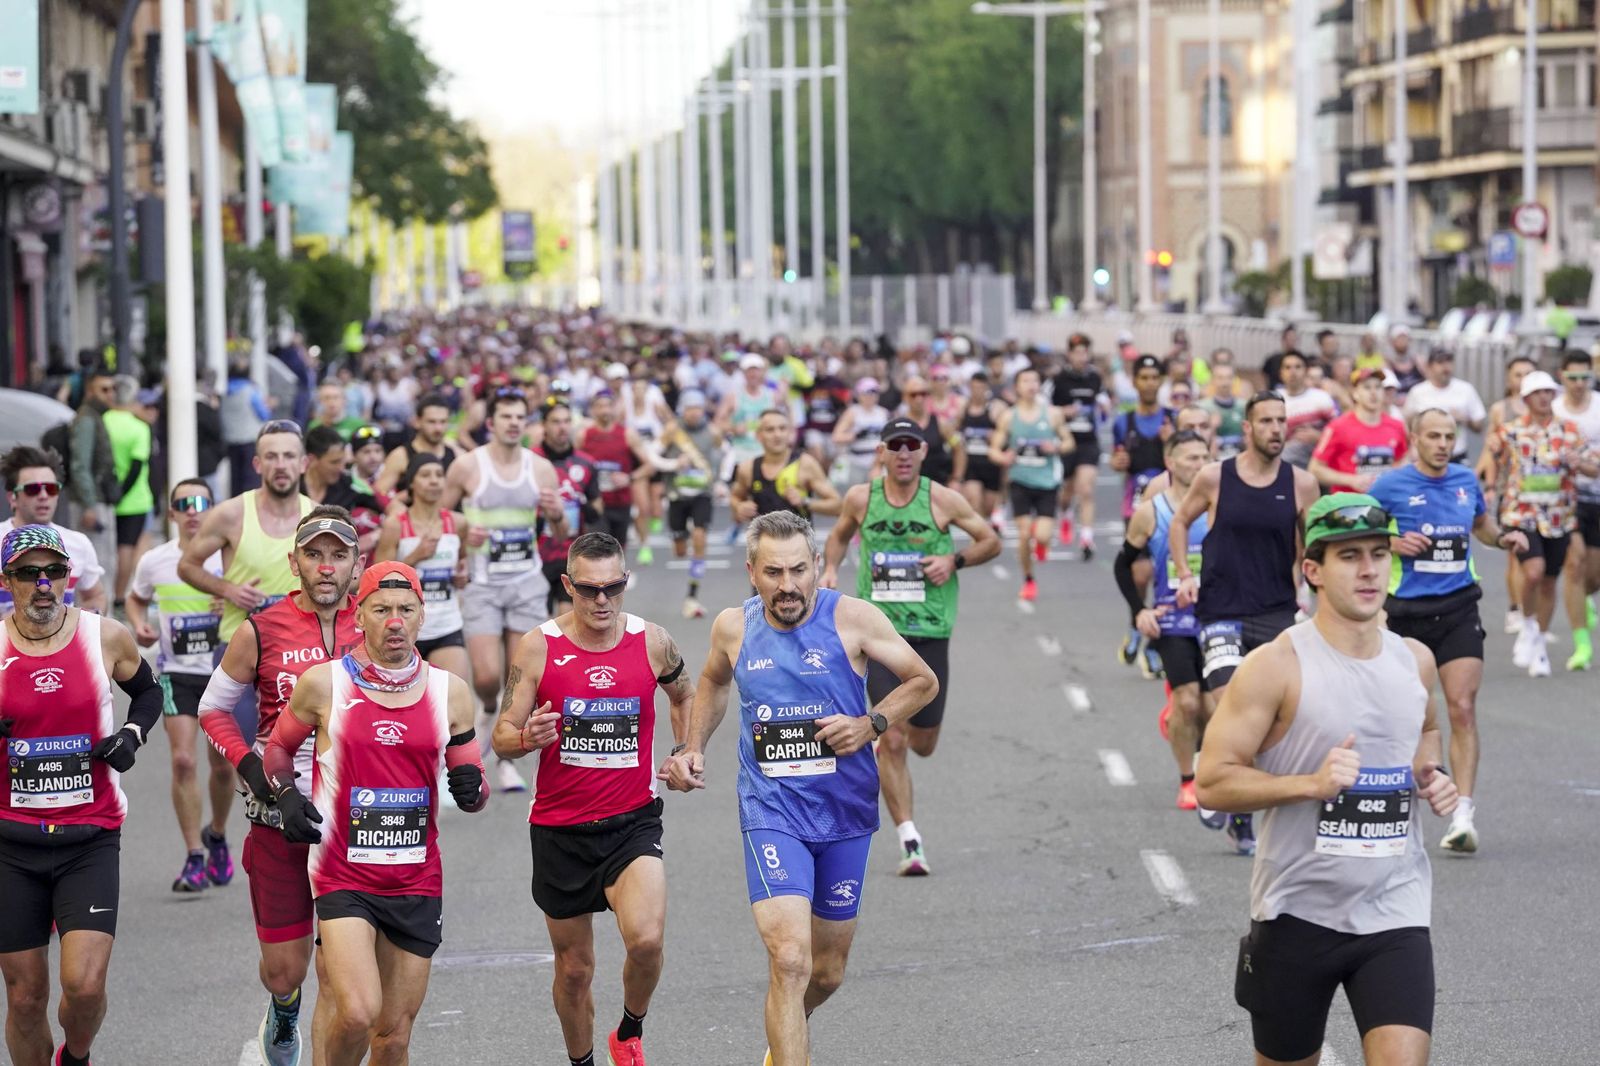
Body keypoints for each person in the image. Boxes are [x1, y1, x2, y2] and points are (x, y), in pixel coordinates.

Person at [659, 511, 938, 1066]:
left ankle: (788, 1033)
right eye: (772, 573)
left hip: (845, 813)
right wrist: (693, 748)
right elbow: (714, 680)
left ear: (816, 567)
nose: (787, 586)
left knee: (827, 972)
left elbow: (922, 680)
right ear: (751, 573)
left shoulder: (854, 619)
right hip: (772, 809)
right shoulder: (732, 628)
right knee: (789, 958)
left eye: (797, 571)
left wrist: (871, 724)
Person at [1196, 492, 1459, 1066]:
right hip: (1296, 913)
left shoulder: (1414, 659)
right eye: (1348, 557)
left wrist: (1431, 775)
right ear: (1312, 571)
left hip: (1395, 907)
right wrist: (1308, 784)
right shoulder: (1275, 666)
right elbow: (1212, 783)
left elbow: (1428, 731)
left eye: (1378, 553)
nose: (1369, 570)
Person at [262, 562, 485, 1066]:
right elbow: (276, 753)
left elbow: (472, 781)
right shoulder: (324, 684)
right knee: (360, 1012)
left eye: (406, 610)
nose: (395, 621)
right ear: (357, 614)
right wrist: (288, 799)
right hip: (344, 874)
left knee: (393, 1038)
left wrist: (473, 789)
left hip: (416, 879)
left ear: (422, 615)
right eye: (381, 610)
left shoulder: (451, 691)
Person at [489, 532, 694, 1066]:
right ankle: (581, 1061)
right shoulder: (539, 646)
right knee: (575, 970)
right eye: (588, 590)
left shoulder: (653, 642)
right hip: (560, 830)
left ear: (625, 583)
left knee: (646, 941)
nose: (602, 601)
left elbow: (685, 693)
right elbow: (501, 735)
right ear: (567, 586)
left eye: (613, 588)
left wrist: (683, 752)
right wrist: (524, 738)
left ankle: (629, 1030)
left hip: (632, 823)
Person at [196, 507, 363, 1066]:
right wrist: (255, 775)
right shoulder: (260, 629)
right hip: (277, 816)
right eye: (314, 555)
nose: (325, 567)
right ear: (294, 562)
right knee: (284, 970)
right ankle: (285, 1009)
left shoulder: (382, 622)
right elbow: (213, 710)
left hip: (357, 825)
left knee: (343, 974)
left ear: (356, 565)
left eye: (338, 555)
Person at [0, 524, 157, 1066]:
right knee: (24, 999)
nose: (43, 584)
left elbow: (148, 692)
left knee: (84, 988)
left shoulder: (104, 636)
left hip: (89, 838)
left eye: (55, 572)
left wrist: (131, 736)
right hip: (10, 844)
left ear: (69, 577)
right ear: (7, 582)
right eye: (28, 574)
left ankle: (77, 1055)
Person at [820, 416, 1000, 875]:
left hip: (930, 629)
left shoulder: (942, 499)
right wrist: (828, 571)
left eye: (911, 446)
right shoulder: (862, 498)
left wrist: (953, 559)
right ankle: (910, 841)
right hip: (880, 633)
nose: (902, 454)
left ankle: (912, 748)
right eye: (894, 446)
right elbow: (839, 535)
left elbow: (991, 540)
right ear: (881, 452)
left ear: (922, 452)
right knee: (892, 737)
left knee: (923, 742)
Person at [1170, 391, 1322, 855]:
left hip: (1277, 611)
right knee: (1228, 701)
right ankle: (1219, 787)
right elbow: (1180, 523)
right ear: (1249, 429)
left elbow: (1313, 547)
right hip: (1221, 611)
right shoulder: (1216, 477)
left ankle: (1238, 808)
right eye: (1267, 421)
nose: (1277, 429)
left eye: (1282, 421)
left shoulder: (1302, 484)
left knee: (1271, 719)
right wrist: (1184, 574)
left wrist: (1312, 596)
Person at [1371, 409, 1526, 855]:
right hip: (1407, 614)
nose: (1442, 443)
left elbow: (1481, 523)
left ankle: (1462, 813)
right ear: (1414, 438)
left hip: (1459, 607)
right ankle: (1396, 796)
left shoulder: (1464, 480)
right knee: (1410, 711)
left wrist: (1503, 539)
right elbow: (1364, 532)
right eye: (1433, 436)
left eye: (1448, 437)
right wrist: (1393, 543)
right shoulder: (1390, 486)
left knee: (1461, 707)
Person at [442, 387, 568, 792]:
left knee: (519, 674)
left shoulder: (541, 469)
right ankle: (488, 710)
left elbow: (563, 531)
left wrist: (555, 515)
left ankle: (503, 759)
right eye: (506, 416)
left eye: (520, 417)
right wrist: (464, 532)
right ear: (491, 423)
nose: (513, 423)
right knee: (487, 675)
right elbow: (441, 518)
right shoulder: (466, 467)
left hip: (525, 581)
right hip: (482, 583)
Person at [125, 479, 238, 892]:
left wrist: (228, 599)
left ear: (212, 509)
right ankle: (194, 855)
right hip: (177, 673)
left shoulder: (229, 558)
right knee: (184, 761)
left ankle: (219, 832)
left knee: (223, 766)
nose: (192, 510)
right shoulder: (155, 560)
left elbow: (259, 602)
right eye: (182, 504)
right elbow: (135, 597)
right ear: (171, 513)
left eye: (200, 503)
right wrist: (140, 624)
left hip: (224, 671)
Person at [1483, 370, 1600, 678]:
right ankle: (1527, 622)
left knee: (1549, 580)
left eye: (1549, 392)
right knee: (1532, 571)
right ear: (1526, 399)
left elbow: (1593, 468)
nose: (1545, 398)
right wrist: (1489, 487)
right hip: (1521, 514)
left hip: (1559, 516)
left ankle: (1537, 639)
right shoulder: (1510, 431)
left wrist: (1581, 464)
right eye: (1538, 393)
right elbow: (1490, 458)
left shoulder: (1570, 430)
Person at [1117, 431, 1211, 811]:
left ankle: (1201, 754)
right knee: (1189, 702)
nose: (1200, 464)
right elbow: (1123, 563)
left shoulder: (1221, 506)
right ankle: (1188, 780)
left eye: (1205, 456)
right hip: (1173, 621)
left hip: (1217, 619)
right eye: (1191, 458)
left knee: (1213, 709)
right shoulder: (1152, 512)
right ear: (1171, 464)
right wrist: (1140, 610)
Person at [179, 420, 315, 660]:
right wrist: (228, 590)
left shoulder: (318, 517)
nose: (281, 465)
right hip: (240, 650)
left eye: (289, 456)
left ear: (303, 463)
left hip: (301, 650)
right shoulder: (231, 514)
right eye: (271, 457)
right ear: (257, 464)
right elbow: (187, 566)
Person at [373, 454, 472, 681]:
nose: (434, 480)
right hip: (403, 629)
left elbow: (462, 564)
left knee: (451, 700)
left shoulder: (458, 523)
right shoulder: (395, 525)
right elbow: (377, 581)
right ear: (411, 483)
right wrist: (415, 557)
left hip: (447, 624)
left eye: (439, 475)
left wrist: (462, 576)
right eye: (425, 475)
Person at [990, 367, 1076, 602]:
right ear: (1016, 387)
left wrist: (1056, 447)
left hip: (1047, 482)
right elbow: (994, 449)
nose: (1031, 385)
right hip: (1020, 481)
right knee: (1024, 532)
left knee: (1044, 535)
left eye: (1035, 380)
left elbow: (1069, 442)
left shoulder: (1052, 415)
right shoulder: (1009, 416)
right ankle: (1028, 579)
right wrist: (1003, 457)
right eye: (1025, 380)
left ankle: (1041, 545)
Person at [1110, 355, 1174, 666]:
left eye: (1154, 377)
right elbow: (1117, 457)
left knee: (1166, 575)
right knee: (1139, 573)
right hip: (1135, 504)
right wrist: (1117, 462)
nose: (1149, 383)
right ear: (1134, 382)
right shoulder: (1124, 421)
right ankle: (1137, 619)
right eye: (1143, 377)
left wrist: (1169, 443)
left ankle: (1155, 641)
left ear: (1161, 381)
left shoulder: (1170, 420)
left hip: (1170, 504)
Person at [0, 446, 107, 615]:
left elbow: (96, 596)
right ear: (12, 498)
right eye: (32, 489)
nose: (43, 495)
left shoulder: (79, 543)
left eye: (51, 489)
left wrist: (88, 618)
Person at [1478, 355, 1534, 635]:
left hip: (1543, 495)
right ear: (1509, 379)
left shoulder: (1547, 408)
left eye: (1529, 374)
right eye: (1518, 374)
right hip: (1509, 490)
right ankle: (1515, 607)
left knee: (1538, 561)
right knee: (1515, 554)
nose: (1523, 380)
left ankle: (1531, 609)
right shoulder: (1501, 410)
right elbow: (1490, 449)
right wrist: (1488, 485)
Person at [1553, 349, 1600, 671]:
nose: (1580, 383)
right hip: (1568, 499)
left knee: (1593, 574)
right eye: (1573, 377)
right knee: (1574, 565)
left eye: (1585, 377)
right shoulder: (1553, 410)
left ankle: (1586, 595)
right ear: (1562, 376)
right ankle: (1582, 645)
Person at [536, 401, 604, 618]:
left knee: (568, 624)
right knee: (540, 629)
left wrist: (579, 502)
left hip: (572, 556)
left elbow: (597, 508)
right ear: (544, 425)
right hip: (537, 557)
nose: (562, 427)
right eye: (556, 422)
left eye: (567, 421)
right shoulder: (530, 461)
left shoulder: (585, 463)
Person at [658, 392, 723, 619]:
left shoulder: (712, 432)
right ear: (682, 411)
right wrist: (674, 463)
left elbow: (727, 453)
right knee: (679, 550)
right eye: (690, 408)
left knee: (699, 538)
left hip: (702, 493)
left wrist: (721, 481)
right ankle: (679, 540)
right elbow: (652, 456)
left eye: (698, 408)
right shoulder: (671, 431)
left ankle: (692, 594)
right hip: (677, 494)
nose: (694, 412)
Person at [731, 409, 842, 528]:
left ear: (790, 433)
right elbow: (735, 497)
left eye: (782, 428)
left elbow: (837, 506)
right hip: (763, 544)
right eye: (770, 429)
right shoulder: (747, 468)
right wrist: (739, 508)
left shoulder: (805, 464)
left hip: (799, 544)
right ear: (759, 435)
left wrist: (805, 502)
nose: (777, 435)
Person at [581, 388, 657, 559]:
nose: (604, 410)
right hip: (596, 503)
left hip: (621, 502)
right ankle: (600, 584)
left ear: (615, 408)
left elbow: (649, 466)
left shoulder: (627, 434)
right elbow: (574, 463)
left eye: (608, 406)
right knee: (599, 548)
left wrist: (628, 478)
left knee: (617, 550)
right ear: (593, 410)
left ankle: (614, 583)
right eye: (600, 406)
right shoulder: (584, 435)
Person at [1310, 367, 1410, 493]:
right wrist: (1351, 480)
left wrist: (1392, 475)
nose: (1373, 393)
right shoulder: (1337, 427)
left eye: (1378, 387)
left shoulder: (1397, 425)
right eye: (1367, 387)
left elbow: (1403, 458)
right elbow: (1315, 469)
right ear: (1355, 393)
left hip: (1386, 500)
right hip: (1349, 504)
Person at [102, 375, 154, 605]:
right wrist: (122, 494)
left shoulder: (102, 421)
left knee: (106, 549)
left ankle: (105, 594)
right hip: (135, 498)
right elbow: (136, 466)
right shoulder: (139, 427)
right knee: (128, 548)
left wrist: (112, 494)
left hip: (104, 496)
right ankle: (120, 596)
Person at [1053, 334, 1106, 557]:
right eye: (1077, 352)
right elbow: (1047, 410)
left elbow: (1103, 402)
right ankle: (1066, 514)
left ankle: (1086, 538)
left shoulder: (1095, 378)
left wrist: (1103, 407)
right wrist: (1064, 412)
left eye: (1085, 352)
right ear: (1069, 354)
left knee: (1085, 489)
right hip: (1066, 441)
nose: (1081, 357)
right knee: (1067, 492)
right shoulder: (1058, 380)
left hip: (1088, 442)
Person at [302, 425, 384, 552]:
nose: (341, 468)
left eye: (343, 461)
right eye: (334, 462)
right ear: (311, 459)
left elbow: (391, 512)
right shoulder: (291, 486)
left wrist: (369, 539)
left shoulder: (350, 484)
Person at [1402, 350, 1487, 463]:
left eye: (1449, 362)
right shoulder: (1418, 392)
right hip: (1426, 456)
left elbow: (1479, 425)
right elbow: (1406, 423)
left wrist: (1464, 419)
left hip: (1456, 454)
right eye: (1440, 362)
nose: (1445, 367)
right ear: (1430, 366)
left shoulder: (1465, 389)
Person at [373, 394, 463, 496]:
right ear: (417, 422)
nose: (438, 428)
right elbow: (378, 495)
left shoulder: (457, 455)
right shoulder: (401, 456)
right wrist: (394, 505)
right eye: (431, 422)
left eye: (443, 422)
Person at [1278, 350, 1341, 470]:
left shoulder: (1322, 397)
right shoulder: (1275, 400)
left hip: (1319, 457)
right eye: (1287, 367)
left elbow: (1338, 432)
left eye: (1298, 367)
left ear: (1306, 371)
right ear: (1281, 373)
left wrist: (1319, 436)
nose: (1293, 372)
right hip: (1285, 459)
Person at [830, 378, 889, 486]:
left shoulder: (883, 413)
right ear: (859, 394)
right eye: (867, 392)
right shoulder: (853, 412)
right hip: (856, 460)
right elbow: (836, 437)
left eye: (874, 392)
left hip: (877, 461)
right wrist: (856, 435)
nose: (870, 396)